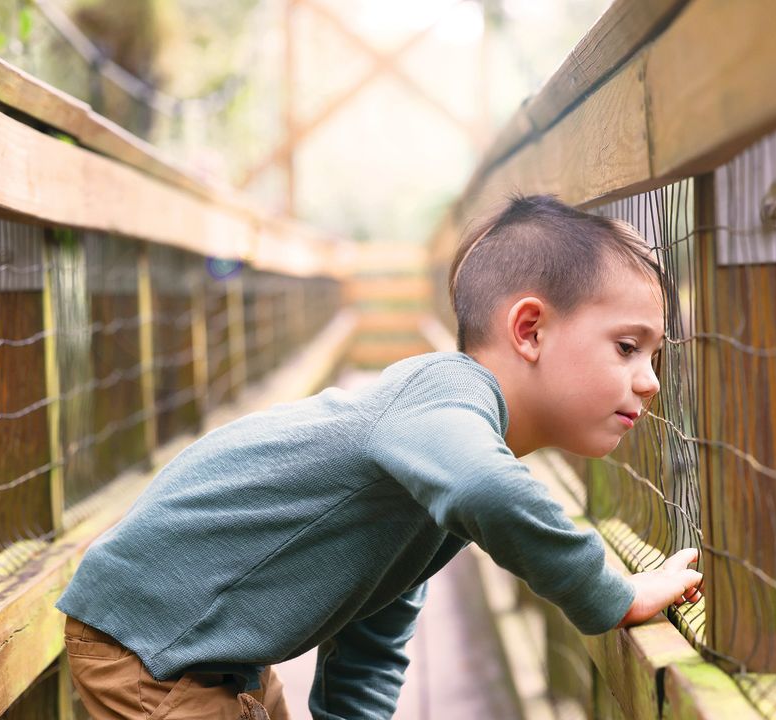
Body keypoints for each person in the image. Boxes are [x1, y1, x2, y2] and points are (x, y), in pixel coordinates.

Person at [56, 194, 703, 720]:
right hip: (153, 645)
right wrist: (613, 595)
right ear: (529, 330)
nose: (648, 379)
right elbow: (490, 490)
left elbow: (371, 641)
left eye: (654, 356)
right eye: (627, 347)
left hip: (205, 652)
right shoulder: (447, 400)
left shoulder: (435, 465)